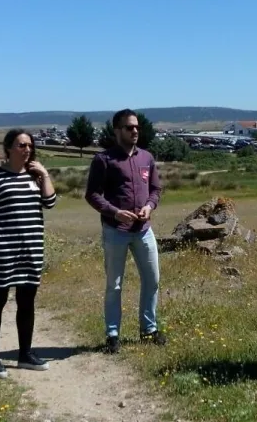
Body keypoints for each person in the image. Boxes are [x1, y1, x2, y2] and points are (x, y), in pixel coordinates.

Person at [85, 108, 166, 354]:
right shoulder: (104, 159)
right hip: (115, 230)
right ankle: (113, 335)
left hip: (143, 230)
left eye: (137, 127)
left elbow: (156, 189)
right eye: (129, 127)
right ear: (117, 130)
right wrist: (114, 212)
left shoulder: (146, 158)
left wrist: (149, 206)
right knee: (115, 285)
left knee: (152, 280)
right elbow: (92, 194)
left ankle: (149, 329)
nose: (135, 131)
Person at [0, 128, 57, 378]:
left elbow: (50, 203)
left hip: (31, 247)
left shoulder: (35, 176)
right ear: (8, 148)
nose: (27, 149)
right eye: (21, 145)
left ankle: (25, 354)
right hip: (2, 248)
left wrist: (44, 174)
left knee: (27, 302)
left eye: (30, 145)